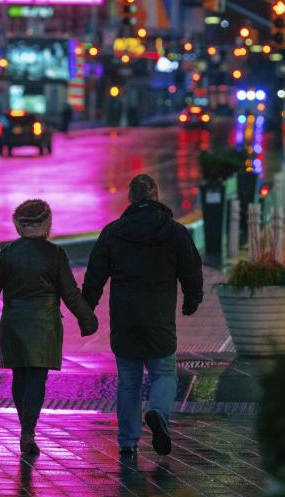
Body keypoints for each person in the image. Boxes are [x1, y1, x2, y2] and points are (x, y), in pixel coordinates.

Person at [0, 199, 98, 457]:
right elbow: (70, 294)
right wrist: (87, 319)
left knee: (19, 377)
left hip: (14, 322)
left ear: (19, 225)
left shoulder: (6, 253)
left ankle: (24, 427)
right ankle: (28, 431)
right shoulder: (55, 254)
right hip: (44, 325)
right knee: (37, 378)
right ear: (47, 223)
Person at [82, 174, 203, 457]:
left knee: (129, 382)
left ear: (131, 199)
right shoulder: (175, 232)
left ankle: (127, 441)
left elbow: (95, 275)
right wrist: (191, 300)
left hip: (125, 319)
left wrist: (86, 306)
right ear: (156, 196)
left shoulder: (113, 233)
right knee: (164, 373)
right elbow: (191, 270)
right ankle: (158, 413)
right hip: (159, 317)